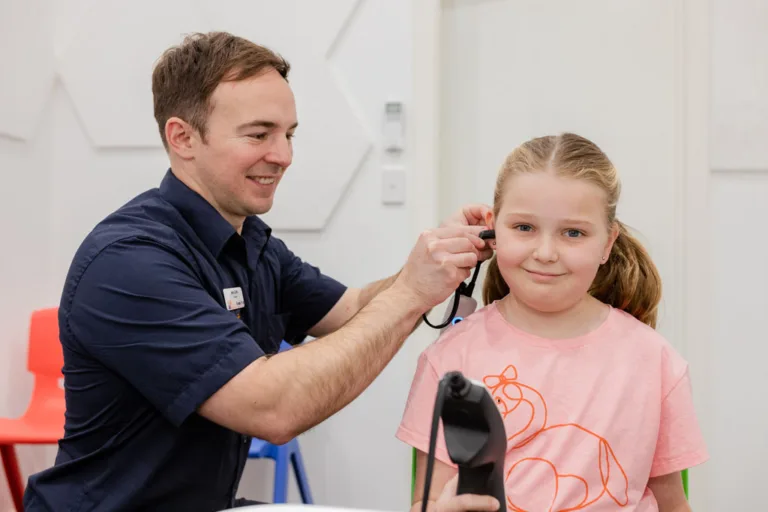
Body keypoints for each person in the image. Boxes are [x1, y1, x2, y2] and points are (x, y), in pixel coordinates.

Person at [22, 31, 500, 512]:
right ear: (182, 137)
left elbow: (352, 309)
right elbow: (273, 407)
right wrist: (410, 293)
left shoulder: (250, 242)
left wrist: (435, 263)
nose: (284, 156)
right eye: (259, 134)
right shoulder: (129, 261)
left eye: (289, 134)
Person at [397, 133, 709, 512]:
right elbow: (426, 502)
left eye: (573, 233)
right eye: (524, 228)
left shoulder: (656, 361)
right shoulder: (448, 360)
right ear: (493, 230)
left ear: (608, 243)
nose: (545, 253)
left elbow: (673, 504)